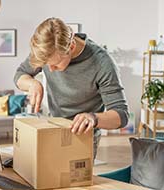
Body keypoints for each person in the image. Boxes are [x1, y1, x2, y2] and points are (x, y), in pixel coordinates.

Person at [13, 17, 129, 159]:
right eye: (46, 65)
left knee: (73, 180)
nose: (50, 69)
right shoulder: (47, 50)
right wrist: (32, 83)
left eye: (56, 64)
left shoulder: (102, 63)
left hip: (83, 136)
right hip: (53, 128)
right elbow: (20, 74)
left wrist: (93, 118)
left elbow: (121, 115)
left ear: (71, 47)